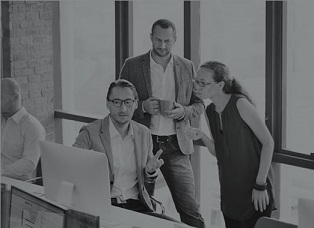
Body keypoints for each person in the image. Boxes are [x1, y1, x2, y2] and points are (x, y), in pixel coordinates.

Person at [119, 19, 205, 227]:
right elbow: (119, 103)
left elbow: (199, 104)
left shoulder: (187, 66)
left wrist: (183, 111)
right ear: (151, 37)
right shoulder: (132, 65)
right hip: (142, 147)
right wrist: (142, 108)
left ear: (174, 40)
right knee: (142, 207)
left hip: (176, 146)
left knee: (190, 210)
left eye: (168, 41)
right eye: (158, 40)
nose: (162, 45)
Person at [186, 61, 275, 228]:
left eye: (202, 83)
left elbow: (268, 143)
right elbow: (220, 153)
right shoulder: (210, 111)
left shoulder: (240, 103)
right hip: (229, 193)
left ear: (220, 85)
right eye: (196, 81)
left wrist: (260, 184)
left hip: (255, 190)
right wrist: (203, 136)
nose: (197, 86)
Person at [73, 79, 164, 213]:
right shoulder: (90, 132)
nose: (123, 109)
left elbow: (147, 176)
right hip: (104, 206)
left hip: (137, 205)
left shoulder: (143, 132)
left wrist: (150, 170)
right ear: (107, 104)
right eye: (117, 102)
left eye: (128, 102)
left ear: (135, 104)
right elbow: (73, 161)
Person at [1, 78, 46, 181]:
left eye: (0, 97)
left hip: (17, 187)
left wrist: (1, 172)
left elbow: (28, 165)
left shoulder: (33, 127)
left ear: (15, 98)